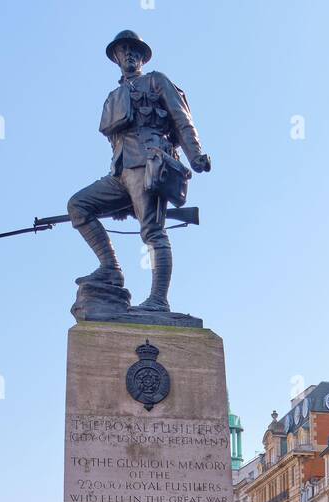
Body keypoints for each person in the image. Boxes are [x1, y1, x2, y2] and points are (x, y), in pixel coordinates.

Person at [68, 30, 211, 313]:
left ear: (142, 57)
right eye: (124, 50)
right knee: (78, 205)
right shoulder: (114, 96)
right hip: (121, 173)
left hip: (150, 166)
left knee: (153, 232)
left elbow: (181, 118)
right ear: (116, 57)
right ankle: (110, 268)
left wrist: (195, 155)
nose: (129, 54)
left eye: (135, 50)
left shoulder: (156, 81)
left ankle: (158, 299)